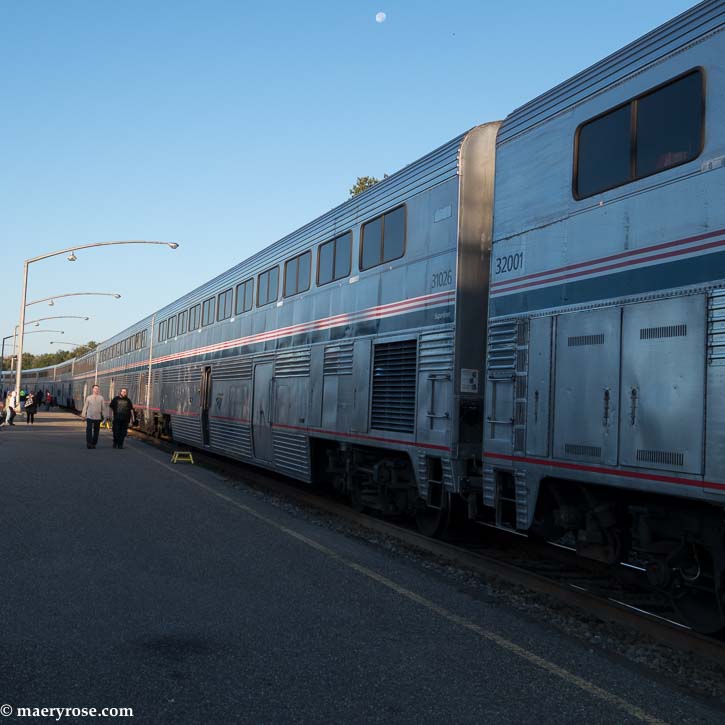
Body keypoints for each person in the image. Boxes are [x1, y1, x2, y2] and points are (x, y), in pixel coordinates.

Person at [81, 384, 105, 449]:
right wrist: (83, 415)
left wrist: (104, 416)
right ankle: (89, 443)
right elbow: (85, 407)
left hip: (98, 417)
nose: (96, 390)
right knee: (88, 431)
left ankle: (94, 443)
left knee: (96, 432)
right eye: (95, 388)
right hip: (89, 417)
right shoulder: (89, 397)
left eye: (97, 389)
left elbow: (103, 408)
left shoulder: (101, 398)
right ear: (92, 389)